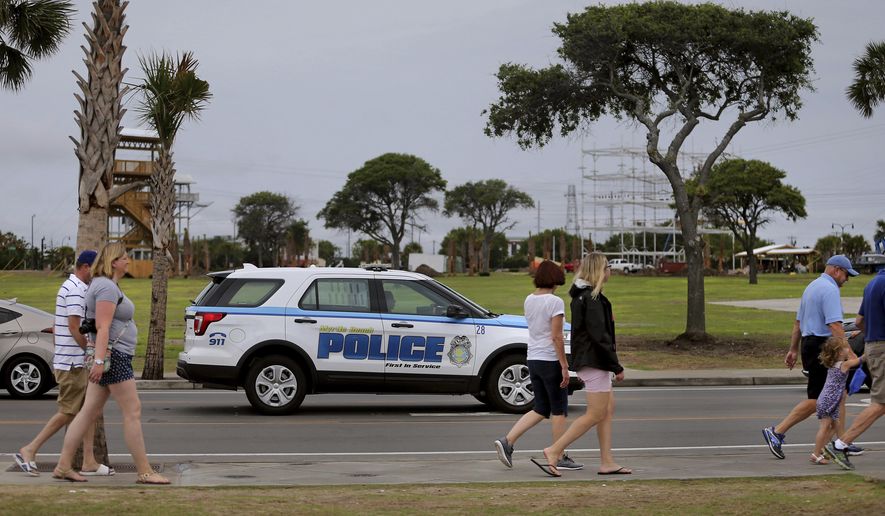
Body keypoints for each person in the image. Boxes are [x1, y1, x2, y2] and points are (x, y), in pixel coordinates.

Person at [51, 243, 169, 484]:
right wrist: (99, 360)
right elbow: (102, 327)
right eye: (124, 257)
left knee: (87, 412)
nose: (128, 261)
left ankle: (63, 466)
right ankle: (145, 471)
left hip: (108, 357)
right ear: (113, 261)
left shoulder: (106, 285)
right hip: (112, 358)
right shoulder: (105, 286)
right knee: (132, 411)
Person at [14, 250, 112, 477]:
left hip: (71, 359)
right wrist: (89, 353)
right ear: (86, 267)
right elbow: (73, 327)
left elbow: (60, 328)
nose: (98, 274)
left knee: (89, 411)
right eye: (96, 269)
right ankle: (29, 450)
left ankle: (89, 460)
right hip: (72, 363)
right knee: (68, 412)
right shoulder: (76, 290)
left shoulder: (73, 287)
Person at [538, 252, 631, 477]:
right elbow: (599, 337)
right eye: (608, 266)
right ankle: (554, 450)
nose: (610, 270)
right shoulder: (592, 299)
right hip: (595, 361)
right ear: (599, 270)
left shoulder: (583, 297)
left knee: (606, 411)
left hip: (592, 360)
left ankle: (607, 461)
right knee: (596, 413)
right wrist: (616, 366)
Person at [762, 254, 861, 460]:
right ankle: (777, 431)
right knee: (818, 400)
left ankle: (841, 442)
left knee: (838, 394)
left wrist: (793, 349)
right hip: (821, 348)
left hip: (810, 344)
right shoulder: (830, 289)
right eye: (846, 274)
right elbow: (834, 325)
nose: (847, 279)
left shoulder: (811, 287)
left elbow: (798, 323)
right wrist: (851, 354)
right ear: (836, 270)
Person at [494, 260, 583, 473]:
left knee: (541, 408)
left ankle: (507, 441)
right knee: (559, 409)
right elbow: (557, 337)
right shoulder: (555, 302)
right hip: (550, 360)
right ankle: (558, 454)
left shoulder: (529, 299)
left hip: (532, 358)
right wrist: (564, 366)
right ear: (556, 278)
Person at [826, 264, 885, 470]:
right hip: (882, 348)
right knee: (880, 403)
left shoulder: (872, 284)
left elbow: (859, 322)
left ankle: (840, 443)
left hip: (873, 345)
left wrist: (874, 337)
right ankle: (840, 444)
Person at [810, 336, 862, 465]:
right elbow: (859, 360)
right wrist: (873, 350)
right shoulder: (843, 365)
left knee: (834, 426)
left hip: (827, 399)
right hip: (829, 400)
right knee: (825, 427)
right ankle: (816, 454)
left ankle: (824, 449)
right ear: (839, 352)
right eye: (846, 347)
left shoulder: (834, 364)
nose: (848, 349)